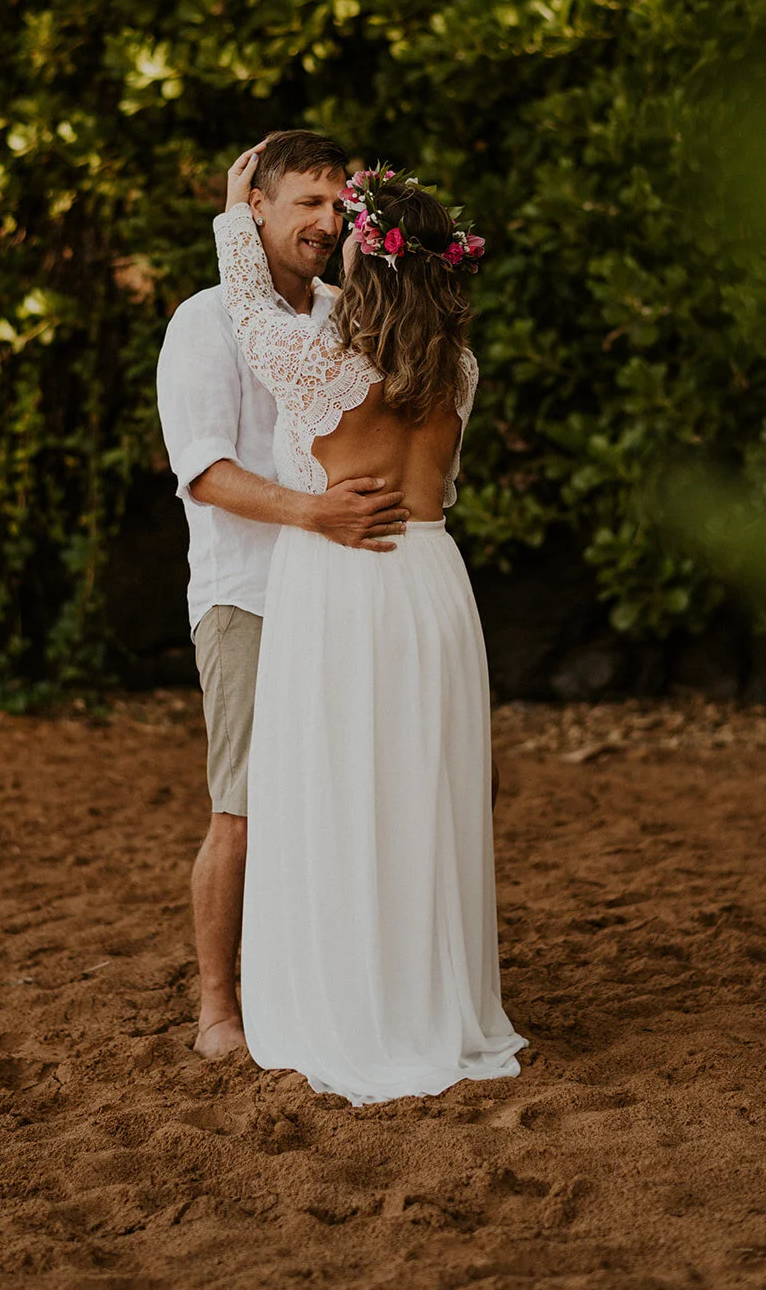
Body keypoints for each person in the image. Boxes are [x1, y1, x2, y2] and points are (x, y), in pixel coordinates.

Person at [214, 141, 528, 1105]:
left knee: (332, 791)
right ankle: (433, 1004)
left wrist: (237, 212)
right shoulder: (459, 371)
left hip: (340, 580)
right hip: (430, 580)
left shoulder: (311, 363)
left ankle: (346, 1009)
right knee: (421, 795)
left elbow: (245, 306)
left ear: (368, 262)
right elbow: (449, 490)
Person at [156, 130, 411, 1059]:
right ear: (252, 207)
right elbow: (206, 473)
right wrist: (317, 513)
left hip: (347, 591)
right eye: (304, 201)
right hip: (250, 596)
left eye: (338, 203)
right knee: (245, 807)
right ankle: (217, 1007)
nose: (324, 220)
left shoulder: (352, 312)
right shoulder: (204, 321)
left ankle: (329, 981)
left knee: (347, 795)